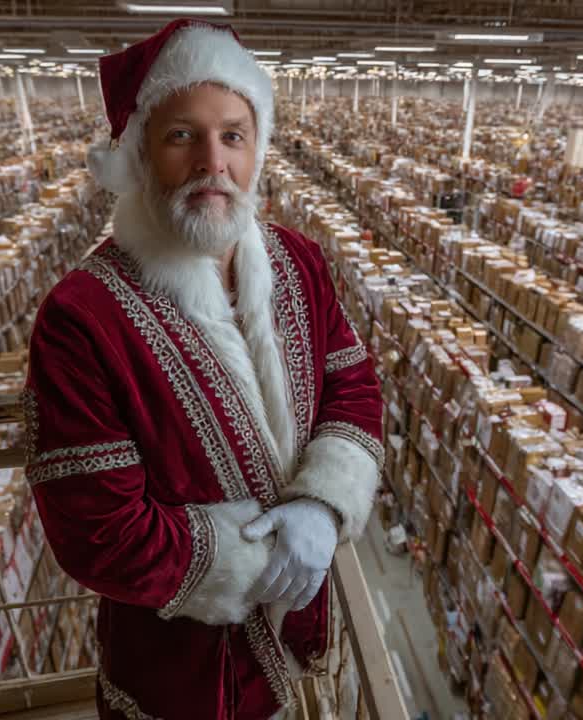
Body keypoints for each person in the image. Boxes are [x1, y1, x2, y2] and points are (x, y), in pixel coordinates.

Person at [22, 18, 383, 720]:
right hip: (178, 678)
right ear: (140, 154)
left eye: (233, 135)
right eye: (182, 135)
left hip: (299, 631)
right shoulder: (82, 318)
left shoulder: (298, 262)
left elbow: (352, 386)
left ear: (256, 151)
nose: (212, 163)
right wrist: (266, 560)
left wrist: (323, 501)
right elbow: (99, 531)